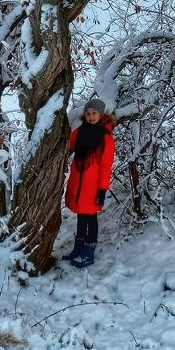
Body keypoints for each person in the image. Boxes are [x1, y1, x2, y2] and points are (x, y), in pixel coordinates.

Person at [61, 97, 115, 268]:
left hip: (92, 187)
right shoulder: (79, 131)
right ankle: (78, 250)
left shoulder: (106, 138)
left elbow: (106, 166)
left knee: (90, 218)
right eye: (88, 113)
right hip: (78, 182)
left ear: (101, 115)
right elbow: (68, 146)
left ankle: (89, 254)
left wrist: (102, 190)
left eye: (94, 113)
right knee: (80, 217)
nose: (91, 116)